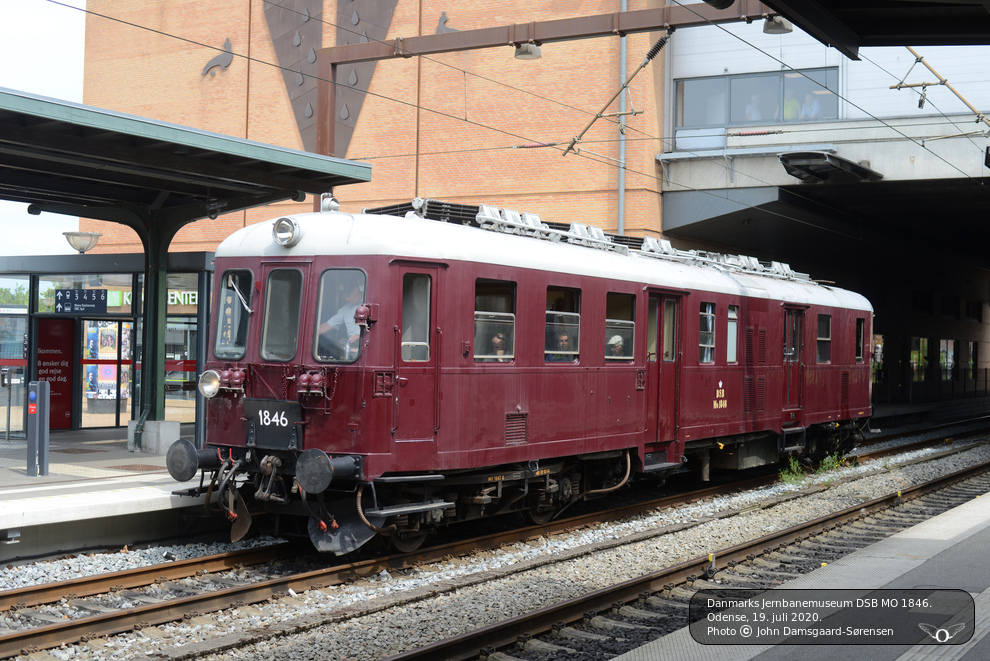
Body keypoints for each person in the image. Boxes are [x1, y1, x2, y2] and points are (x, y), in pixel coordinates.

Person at [318, 284, 364, 358]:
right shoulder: (345, 309)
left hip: (369, 349)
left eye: (348, 295)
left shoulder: (371, 303)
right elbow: (327, 325)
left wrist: (360, 335)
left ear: (356, 289)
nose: (347, 299)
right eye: (344, 297)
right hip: (354, 352)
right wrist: (308, 334)